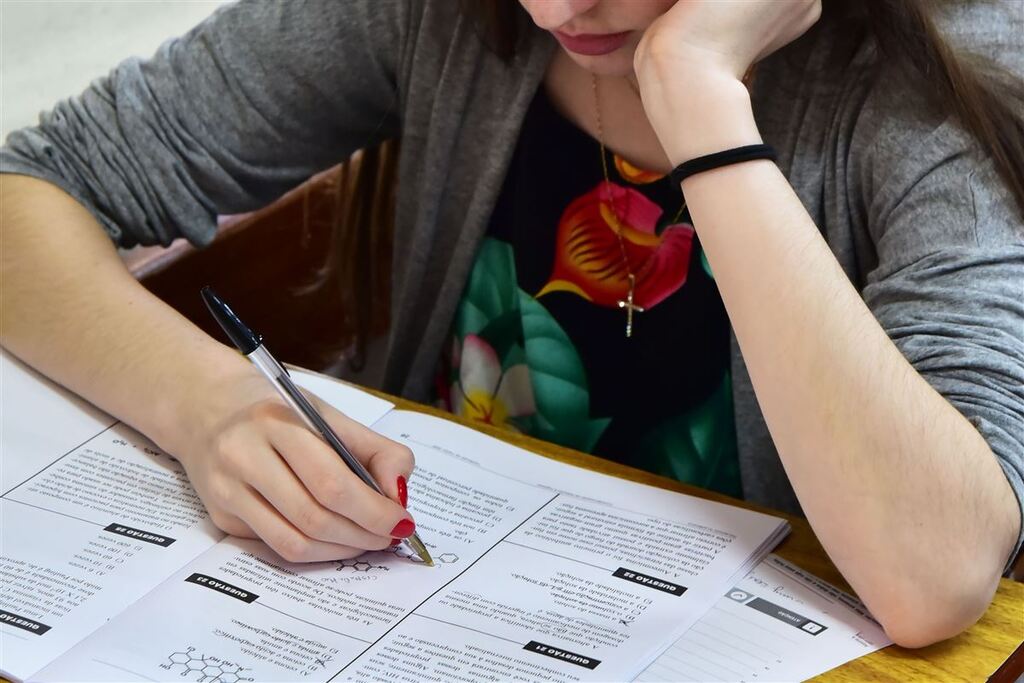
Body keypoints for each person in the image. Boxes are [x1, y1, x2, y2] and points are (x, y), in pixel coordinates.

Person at [1, 0, 1021, 648]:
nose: (554, 7)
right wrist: (207, 401)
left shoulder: (948, 64)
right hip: (428, 608)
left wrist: (700, 99)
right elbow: (28, 184)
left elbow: (932, 576)